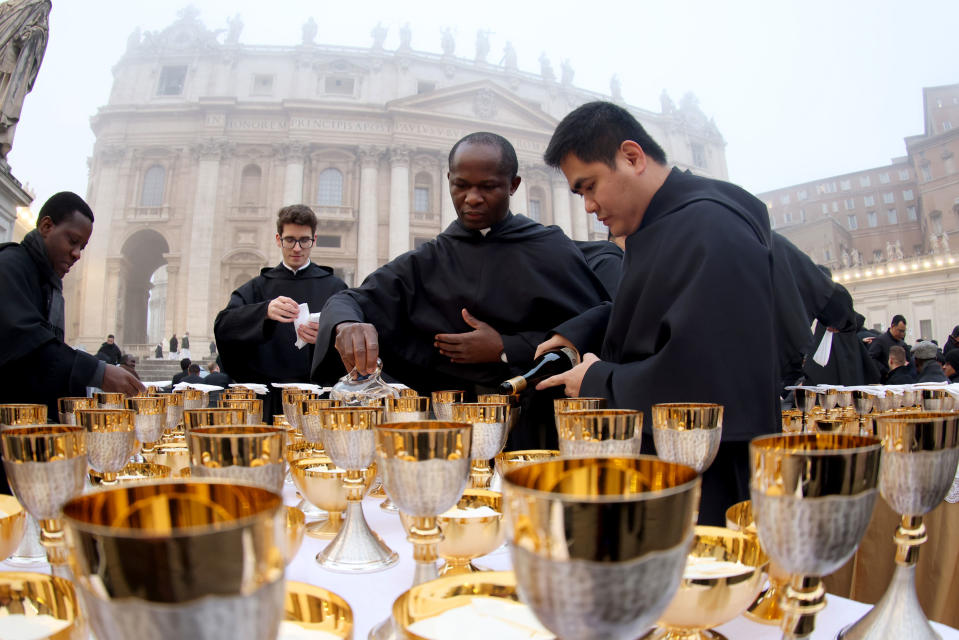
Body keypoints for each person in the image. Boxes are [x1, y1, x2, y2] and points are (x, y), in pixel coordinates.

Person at [532, 101, 778, 526]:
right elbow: (662, 311)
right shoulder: (670, 224)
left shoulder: (712, 228)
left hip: (706, 484)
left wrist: (595, 380)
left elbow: (709, 378)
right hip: (669, 471)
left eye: (589, 187)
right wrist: (584, 329)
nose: (588, 206)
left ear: (632, 157)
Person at [311, 132, 610, 449]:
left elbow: (597, 331)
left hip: (536, 434)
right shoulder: (429, 258)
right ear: (448, 180)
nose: (472, 198)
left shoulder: (551, 249)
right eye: (462, 185)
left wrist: (505, 347)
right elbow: (350, 299)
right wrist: (346, 324)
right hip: (447, 434)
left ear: (513, 185)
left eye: (488, 187)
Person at [0, 191, 143, 491]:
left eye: (82, 246)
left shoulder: (49, 283)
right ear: (46, 226)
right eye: (72, 241)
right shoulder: (9, 267)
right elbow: (29, 346)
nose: (77, 254)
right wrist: (99, 372)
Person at [215, 204, 347, 419]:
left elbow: (353, 333)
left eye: (304, 240)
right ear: (279, 239)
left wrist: (325, 337)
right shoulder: (257, 288)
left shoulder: (335, 288)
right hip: (270, 398)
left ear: (314, 240)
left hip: (318, 398)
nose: (297, 248)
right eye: (290, 240)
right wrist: (263, 312)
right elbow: (223, 325)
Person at [868, 315, 911, 382]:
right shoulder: (880, 340)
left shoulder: (902, 344)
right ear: (893, 326)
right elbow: (871, 358)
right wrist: (884, 370)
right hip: (885, 380)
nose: (902, 334)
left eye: (904, 331)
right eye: (900, 331)